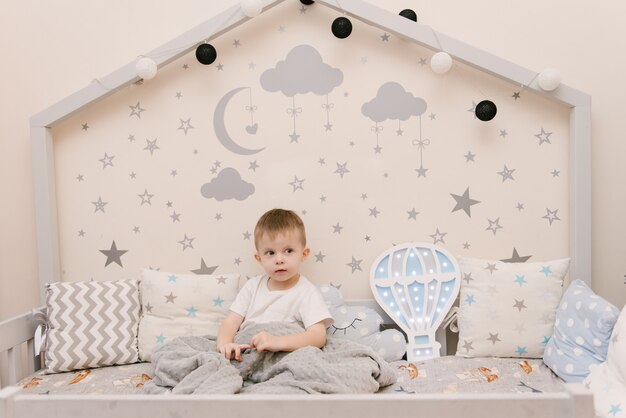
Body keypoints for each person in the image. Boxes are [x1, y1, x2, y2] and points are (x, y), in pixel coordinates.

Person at [216, 208, 333, 361]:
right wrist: (225, 344)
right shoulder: (252, 287)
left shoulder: (307, 292)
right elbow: (230, 322)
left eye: (288, 251)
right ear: (259, 258)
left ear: (303, 254)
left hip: (284, 353)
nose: (279, 259)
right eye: (270, 253)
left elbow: (317, 336)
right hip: (248, 350)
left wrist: (278, 342)